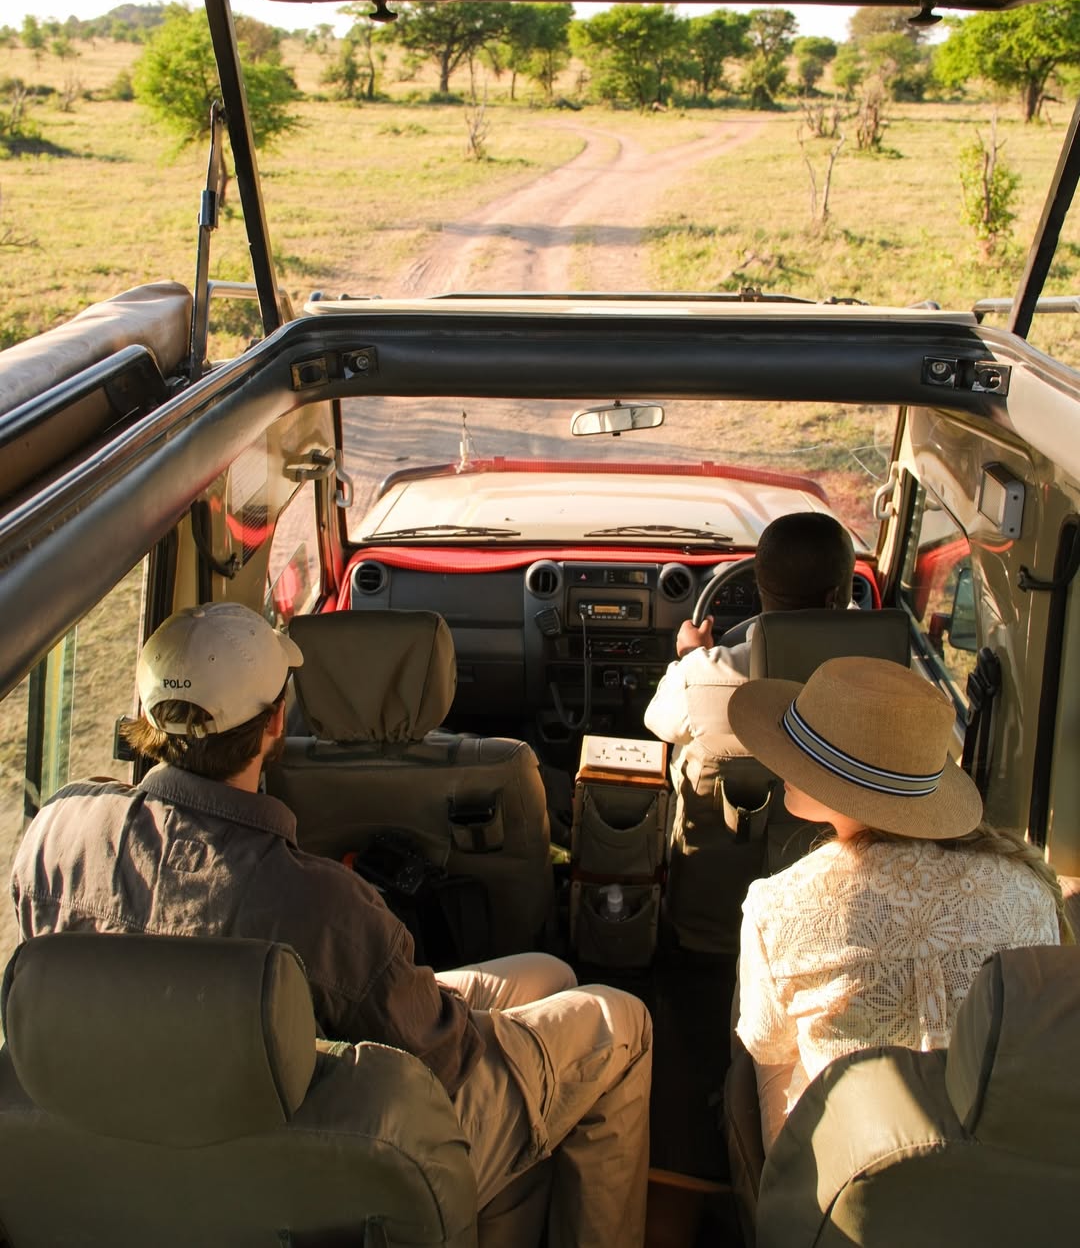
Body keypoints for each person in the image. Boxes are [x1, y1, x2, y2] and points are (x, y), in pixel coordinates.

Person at [11, 602, 652, 1248]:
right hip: (329, 1164)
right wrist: (481, 1025)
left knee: (550, 975)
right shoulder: (320, 905)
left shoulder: (54, 837)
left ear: (148, 717)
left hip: (141, 1142)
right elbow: (442, 1055)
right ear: (274, 724)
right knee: (622, 1024)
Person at [727, 654, 1069, 1151]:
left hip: (860, 1181)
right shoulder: (1029, 889)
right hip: (1006, 1173)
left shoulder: (776, 908)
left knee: (758, 1056)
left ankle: (768, 1217)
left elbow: (767, 1046)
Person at [644, 511, 856, 790]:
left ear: (759, 586)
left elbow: (658, 721)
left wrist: (691, 655)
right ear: (836, 596)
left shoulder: (701, 678)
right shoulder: (881, 674)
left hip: (723, 827)